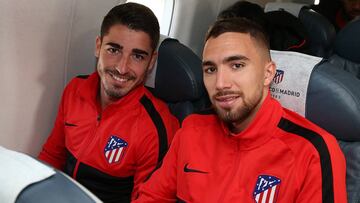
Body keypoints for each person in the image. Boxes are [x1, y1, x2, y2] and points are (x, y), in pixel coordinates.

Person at [133, 18, 347, 202]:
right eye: (210, 69)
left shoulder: (313, 152)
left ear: (268, 73)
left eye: (237, 65)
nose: (221, 83)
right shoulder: (192, 129)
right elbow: (152, 198)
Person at [38, 3, 179, 203]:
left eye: (137, 56)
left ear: (151, 61)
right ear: (98, 46)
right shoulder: (75, 90)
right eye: (114, 50)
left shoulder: (156, 127)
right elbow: (52, 156)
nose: (122, 68)